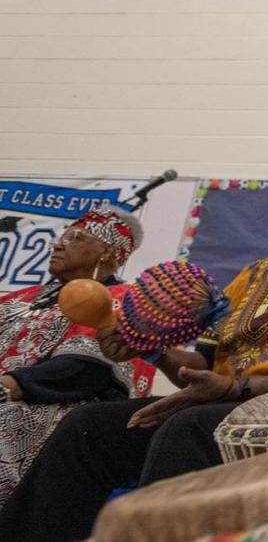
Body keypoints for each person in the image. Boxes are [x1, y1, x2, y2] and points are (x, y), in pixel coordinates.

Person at [0, 161, 268, 541]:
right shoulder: (253, 274)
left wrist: (235, 390)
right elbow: (200, 364)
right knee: (90, 428)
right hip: (222, 405)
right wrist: (149, 349)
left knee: (185, 428)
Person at [0, 207, 154, 509]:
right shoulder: (21, 297)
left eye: (75, 238)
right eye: (61, 237)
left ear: (106, 252)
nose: (58, 244)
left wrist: (9, 385)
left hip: (51, 406)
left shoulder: (126, 297)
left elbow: (85, 369)